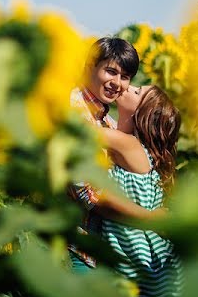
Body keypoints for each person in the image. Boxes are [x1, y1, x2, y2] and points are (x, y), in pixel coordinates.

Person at [68, 37, 165, 270]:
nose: (117, 83)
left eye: (125, 77)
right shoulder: (73, 112)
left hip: (101, 255)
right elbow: (90, 195)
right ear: (90, 65)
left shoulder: (106, 123)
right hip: (76, 251)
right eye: (110, 72)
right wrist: (150, 219)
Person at [98, 84, 183, 297]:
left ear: (141, 114)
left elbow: (83, 130)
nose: (128, 86)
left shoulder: (129, 145)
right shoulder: (132, 145)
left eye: (137, 92)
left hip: (136, 255)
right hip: (140, 251)